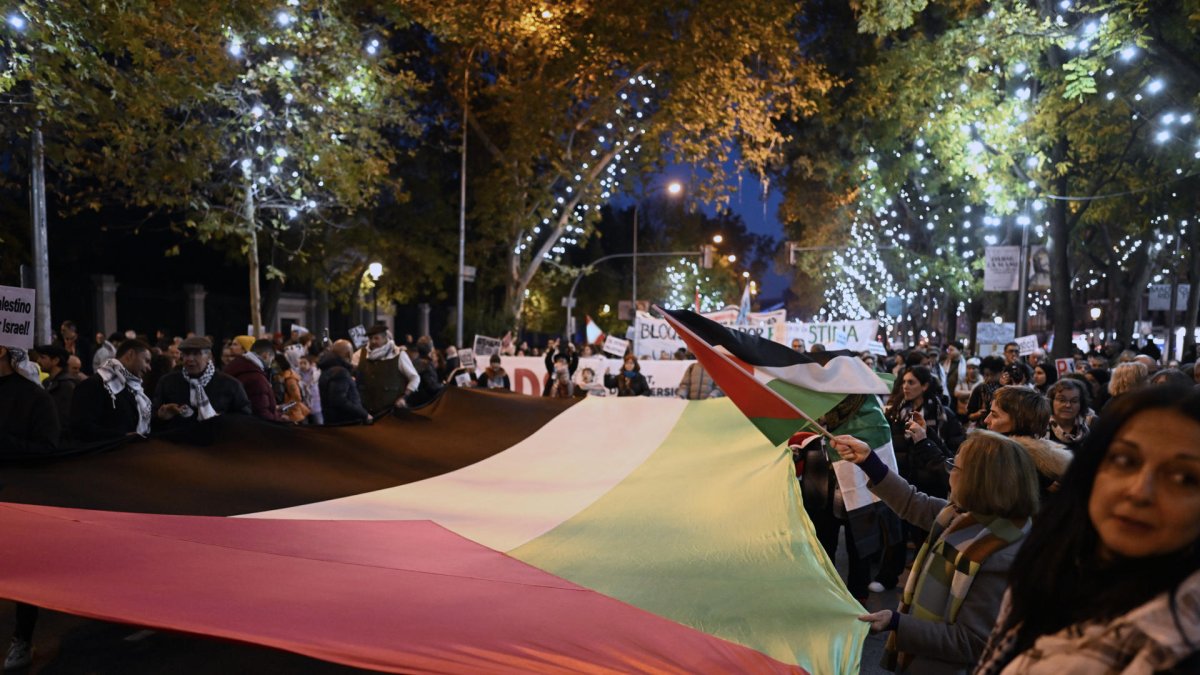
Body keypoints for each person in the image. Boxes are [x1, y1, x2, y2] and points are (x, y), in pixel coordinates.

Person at [974, 386, 1200, 673]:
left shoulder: (1173, 647)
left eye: (1183, 478)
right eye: (1125, 460)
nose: (1140, 492)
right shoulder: (1051, 564)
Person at [833, 430, 1040, 674]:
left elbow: (972, 642)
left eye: (954, 466)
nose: (949, 472)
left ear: (979, 481)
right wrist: (868, 461)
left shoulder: (1000, 554)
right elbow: (912, 502)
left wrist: (898, 622)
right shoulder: (964, 516)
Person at [984, 386, 1072, 501]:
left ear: (1020, 422)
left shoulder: (1005, 459)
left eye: (994, 415)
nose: (986, 420)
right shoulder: (1048, 463)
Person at [152, 336, 251, 429]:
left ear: (209, 356)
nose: (190, 359)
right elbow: (152, 418)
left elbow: (245, 418)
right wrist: (160, 416)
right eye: (186, 354)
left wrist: (222, 419)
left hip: (217, 439)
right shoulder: (168, 382)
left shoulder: (230, 384)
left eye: (196, 354)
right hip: (176, 439)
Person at [70, 339, 153, 442]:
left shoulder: (135, 389)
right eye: (147, 361)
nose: (149, 368)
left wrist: (160, 415)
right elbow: (81, 429)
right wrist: (122, 437)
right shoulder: (93, 385)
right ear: (130, 355)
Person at [355, 324, 419, 416]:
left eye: (376, 338)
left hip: (391, 412)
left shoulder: (398, 354)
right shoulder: (361, 354)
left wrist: (404, 397)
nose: (373, 341)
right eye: (370, 338)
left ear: (385, 338)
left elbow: (415, 378)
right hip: (367, 413)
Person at [223, 339, 282, 422]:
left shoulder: (237, 363)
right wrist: (279, 418)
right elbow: (261, 413)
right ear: (266, 355)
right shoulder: (256, 378)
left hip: (232, 422)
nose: (270, 364)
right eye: (272, 359)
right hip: (248, 426)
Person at [318, 339, 370, 425]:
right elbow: (340, 401)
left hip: (331, 422)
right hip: (346, 423)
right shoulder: (340, 372)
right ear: (348, 354)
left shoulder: (327, 369)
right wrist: (364, 414)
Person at [32, 344, 76, 432]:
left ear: (55, 360)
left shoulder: (67, 386)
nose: (38, 361)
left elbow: (64, 417)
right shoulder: (46, 382)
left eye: (43, 357)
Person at [1045, 378, 1094, 453]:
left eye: (1074, 401)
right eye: (1062, 400)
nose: (1068, 405)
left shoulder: (1092, 425)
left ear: (1081, 404)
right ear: (1051, 401)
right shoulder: (1041, 427)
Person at [967, 357, 1005, 428]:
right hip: (983, 428)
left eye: (993, 374)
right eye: (986, 375)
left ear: (1001, 372)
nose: (989, 378)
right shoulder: (979, 389)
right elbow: (969, 415)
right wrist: (977, 414)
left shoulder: (1006, 390)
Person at [273, 354, 310, 423]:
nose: (272, 365)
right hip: (290, 414)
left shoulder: (290, 380)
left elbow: (297, 399)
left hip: (295, 416)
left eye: (273, 363)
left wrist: (282, 407)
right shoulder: (283, 376)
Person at [297, 353, 323, 424]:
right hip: (303, 405)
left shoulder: (316, 373)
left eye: (305, 363)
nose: (302, 365)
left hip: (316, 404)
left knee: (319, 423)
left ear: (310, 364)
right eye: (300, 363)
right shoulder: (297, 374)